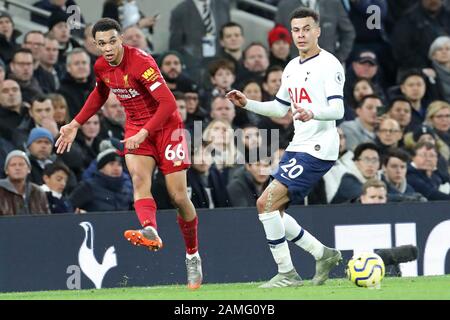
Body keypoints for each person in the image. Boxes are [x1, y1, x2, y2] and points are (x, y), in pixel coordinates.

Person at [55, 18, 203, 289]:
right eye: (101, 43)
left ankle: (192, 255)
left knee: (179, 197)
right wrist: (75, 123)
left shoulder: (141, 62)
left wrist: (146, 132)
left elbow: (168, 103)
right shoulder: (101, 66)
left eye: (112, 41)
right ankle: (149, 228)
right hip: (135, 126)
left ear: (120, 38)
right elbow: (99, 95)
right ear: (96, 45)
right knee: (138, 179)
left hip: (167, 127)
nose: (108, 48)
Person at [226, 8, 344, 288]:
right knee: (273, 210)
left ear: (317, 31)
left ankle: (287, 273)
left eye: (306, 29)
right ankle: (322, 254)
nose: (301, 35)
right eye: (296, 30)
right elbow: (279, 107)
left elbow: (338, 108)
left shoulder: (330, 65)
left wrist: (313, 113)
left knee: (264, 203)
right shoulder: (291, 67)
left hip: (318, 147)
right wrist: (248, 104)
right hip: (299, 144)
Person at [0, 150, 50, 215]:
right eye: (13, 165)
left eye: (21, 164)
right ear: (6, 170)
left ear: (29, 169)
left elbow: (47, 219)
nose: (17, 168)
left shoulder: (38, 192)